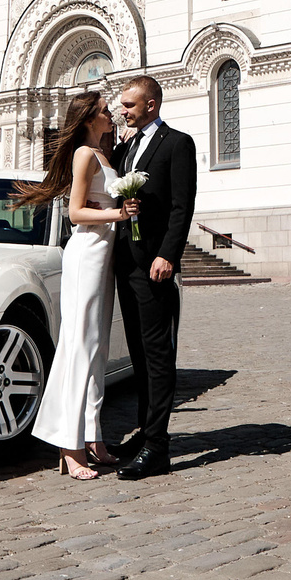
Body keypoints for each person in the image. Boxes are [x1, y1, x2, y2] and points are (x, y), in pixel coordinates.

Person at [13, 91, 138, 480]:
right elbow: (76, 211)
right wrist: (119, 213)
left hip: (104, 255)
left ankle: (93, 436)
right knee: (79, 345)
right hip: (86, 253)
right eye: (104, 111)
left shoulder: (103, 153)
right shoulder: (85, 154)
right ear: (88, 119)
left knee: (97, 348)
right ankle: (69, 445)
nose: (111, 114)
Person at [109, 73, 196, 479]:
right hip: (126, 263)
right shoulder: (127, 148)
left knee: (159, 356)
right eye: (122, 104)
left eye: (129, 104)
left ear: (151, 105)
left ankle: (158, 448)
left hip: (155, 266)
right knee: (139, 355)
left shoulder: (177, 144)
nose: (122, 110)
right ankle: (145, 432)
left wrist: (168, 255)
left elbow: (182, 206)